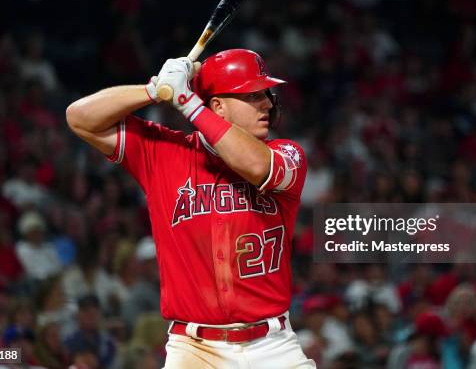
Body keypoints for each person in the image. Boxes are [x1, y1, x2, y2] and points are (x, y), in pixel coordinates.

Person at [66, 49, 314, 368]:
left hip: (273, 346)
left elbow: (254, 165)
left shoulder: (287, 154)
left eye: (266, 93)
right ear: (218, 106)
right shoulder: (165, 152)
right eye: (252, 95)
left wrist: (187, 102)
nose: (267, 102)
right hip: (195, 349)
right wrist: (154, 89)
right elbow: (79, 118)